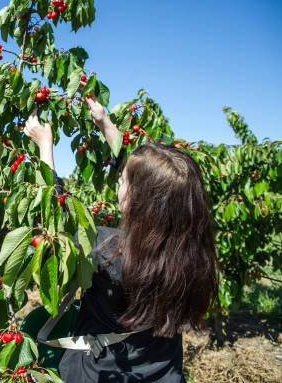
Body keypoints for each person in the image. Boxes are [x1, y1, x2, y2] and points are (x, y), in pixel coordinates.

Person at [23, 88, 219, 382]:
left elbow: (58, 220)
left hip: (101, 373)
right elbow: (145, 177)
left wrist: (44, 146)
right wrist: (105, 124)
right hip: (162, 371)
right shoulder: (192, 253)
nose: (118, 184)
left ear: (138, 199)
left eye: (124, 182)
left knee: (33, 326)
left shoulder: (108, 250)